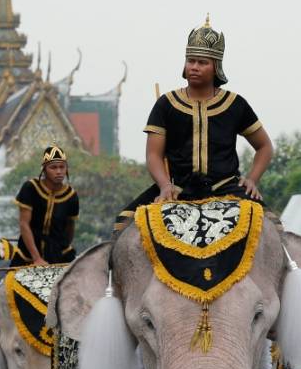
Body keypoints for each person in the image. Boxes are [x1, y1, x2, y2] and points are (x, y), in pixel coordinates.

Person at [116, 16, 273, 227]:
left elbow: (264, 146)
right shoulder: (166, 104)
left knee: (274, 226)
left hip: (226, 188)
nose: (195, 67)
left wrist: (252, 179)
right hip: (177, 189)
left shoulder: (235, 104)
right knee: (123, 223)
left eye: (202, 62)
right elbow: (153, 154)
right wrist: (164, 186)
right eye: (191, 61)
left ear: (216, 66)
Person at [11, 144, 79, 266]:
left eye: (62, 167)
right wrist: (36, 258)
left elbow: (70, 228)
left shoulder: (71, 196)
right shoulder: (31, 188)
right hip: (28, 253)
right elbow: (24, 224)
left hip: (59, 253)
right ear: (44, 169)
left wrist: (62, 247)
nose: (59, 171)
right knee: (12, 283)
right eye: (53, 167)